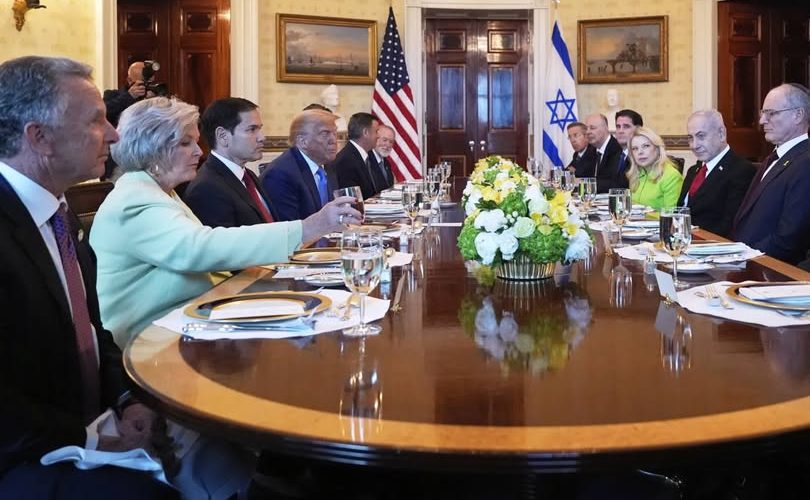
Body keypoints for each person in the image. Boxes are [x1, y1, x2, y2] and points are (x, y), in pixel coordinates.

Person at [0, 56, 178, 499]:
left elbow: (93, 333)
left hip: (82, 425)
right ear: (40, 137)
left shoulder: (60, 215)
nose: (114, 134)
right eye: (97, 121)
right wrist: (90, 439)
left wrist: (127, 400)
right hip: (21, 455)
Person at [90, 97, 361, 346]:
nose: (198, 152)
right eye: (185, 143)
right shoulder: (135, 198)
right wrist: (308, 228)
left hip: (191, 321)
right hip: (151, 341)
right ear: (152, 148)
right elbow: (199, 248)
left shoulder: (160, 191)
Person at [732, 83, 810, 265]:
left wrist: (745, 259)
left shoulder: (805, 162)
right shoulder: (774, 157)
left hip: (769, 269)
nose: (762, 121)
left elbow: (790, 236)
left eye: (771, 113)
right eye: (763, 113)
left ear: (798, 115)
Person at [183, 97, 279, 227]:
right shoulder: (206, 189)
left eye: (259, 129)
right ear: (222, 136)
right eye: (252, 129)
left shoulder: (248, 175)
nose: (262, 137)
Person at [678, 110, 756, 238]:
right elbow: (680, 211)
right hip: (681, 242)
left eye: (701, 136)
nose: (694, 145)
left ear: (721, 134)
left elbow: (729, 226)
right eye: (690, 138)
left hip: (710, 245)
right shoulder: (693, 170)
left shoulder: (741, 171)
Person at [260, 109, 340, 221]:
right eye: (325, 134)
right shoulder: (280, 175)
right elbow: (290, 226)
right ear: (303, 141)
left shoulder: (327, 166)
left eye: (335, 133)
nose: (334, 140)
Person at [101, 62, 156, 180]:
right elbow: (105, 112)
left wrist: (154, 103)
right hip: (119, 161)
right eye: (141, 83)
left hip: (148, 159)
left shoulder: (153, 98)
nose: (145, 87)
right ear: (130, 80)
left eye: (148, 83)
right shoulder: (112, 95)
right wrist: (129, 96)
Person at [627, 127, 683, 210]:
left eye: (646, 146)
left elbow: (671, 214)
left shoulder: (672, 177)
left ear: (658, 149)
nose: (640, 152)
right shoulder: (636, 174)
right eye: (635, 148)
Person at [333, 112, 381, 200]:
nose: (378, 136)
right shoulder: (346, 161)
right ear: (365, 132)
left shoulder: (369, 156)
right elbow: (352, 200)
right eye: (376, 131)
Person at [583, 113, 623, 193]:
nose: (588, 132)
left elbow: (614, 184)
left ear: (605, 128)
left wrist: (585, 183)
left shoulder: (618, 149)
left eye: (592, 128)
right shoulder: (590, 150)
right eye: (586, 128)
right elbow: (580, 173)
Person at [613, 108, 643, 179]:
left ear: (638, 129)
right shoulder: (613, 154)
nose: (620, 131)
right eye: (618, 127)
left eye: (626, 126)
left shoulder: (641, 156)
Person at [370, 124, 397, 189]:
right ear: (375, 139)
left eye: (391, 142)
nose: (388, 144)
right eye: (384, 140)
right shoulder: (366, 160)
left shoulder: (386, 163)